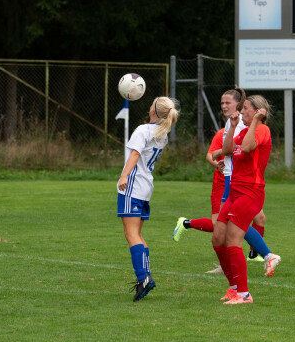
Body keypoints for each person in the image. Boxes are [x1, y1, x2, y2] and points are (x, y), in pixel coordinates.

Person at [173, 88, 268, 265]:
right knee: (226, 224)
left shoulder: (243, 124)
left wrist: (222, 154)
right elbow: (225, 151)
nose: (224, 106)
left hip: (238, 179)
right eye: (222, 103)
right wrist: (221, 157)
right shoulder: (230, 124)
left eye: (228, 103)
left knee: (237, 222)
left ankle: (261, 255)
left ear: (239, 105)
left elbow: (240, 148)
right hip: (231, 179)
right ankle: (260, 255)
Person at [212, 95, 281, 305]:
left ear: (258, 111)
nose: (241, 113)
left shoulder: (262, 130)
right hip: (235, 191)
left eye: (246, 109)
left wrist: (257, 122)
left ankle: (244, 294)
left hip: (251, 192)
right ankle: (233, 287)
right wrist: (232, 127)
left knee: (233, 240)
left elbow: (249, 147)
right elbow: (226, 151)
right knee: (218, 238)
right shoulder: (242, 130)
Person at [118, 96, 180, 302]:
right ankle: (145, 276)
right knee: (138, 235)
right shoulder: (162, 133)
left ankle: (143, 277)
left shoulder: (143, 130)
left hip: (133, 187)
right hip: (145, 188)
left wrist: (123, 176)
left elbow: (135, 155)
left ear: (154, 110)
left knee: (131, 234)